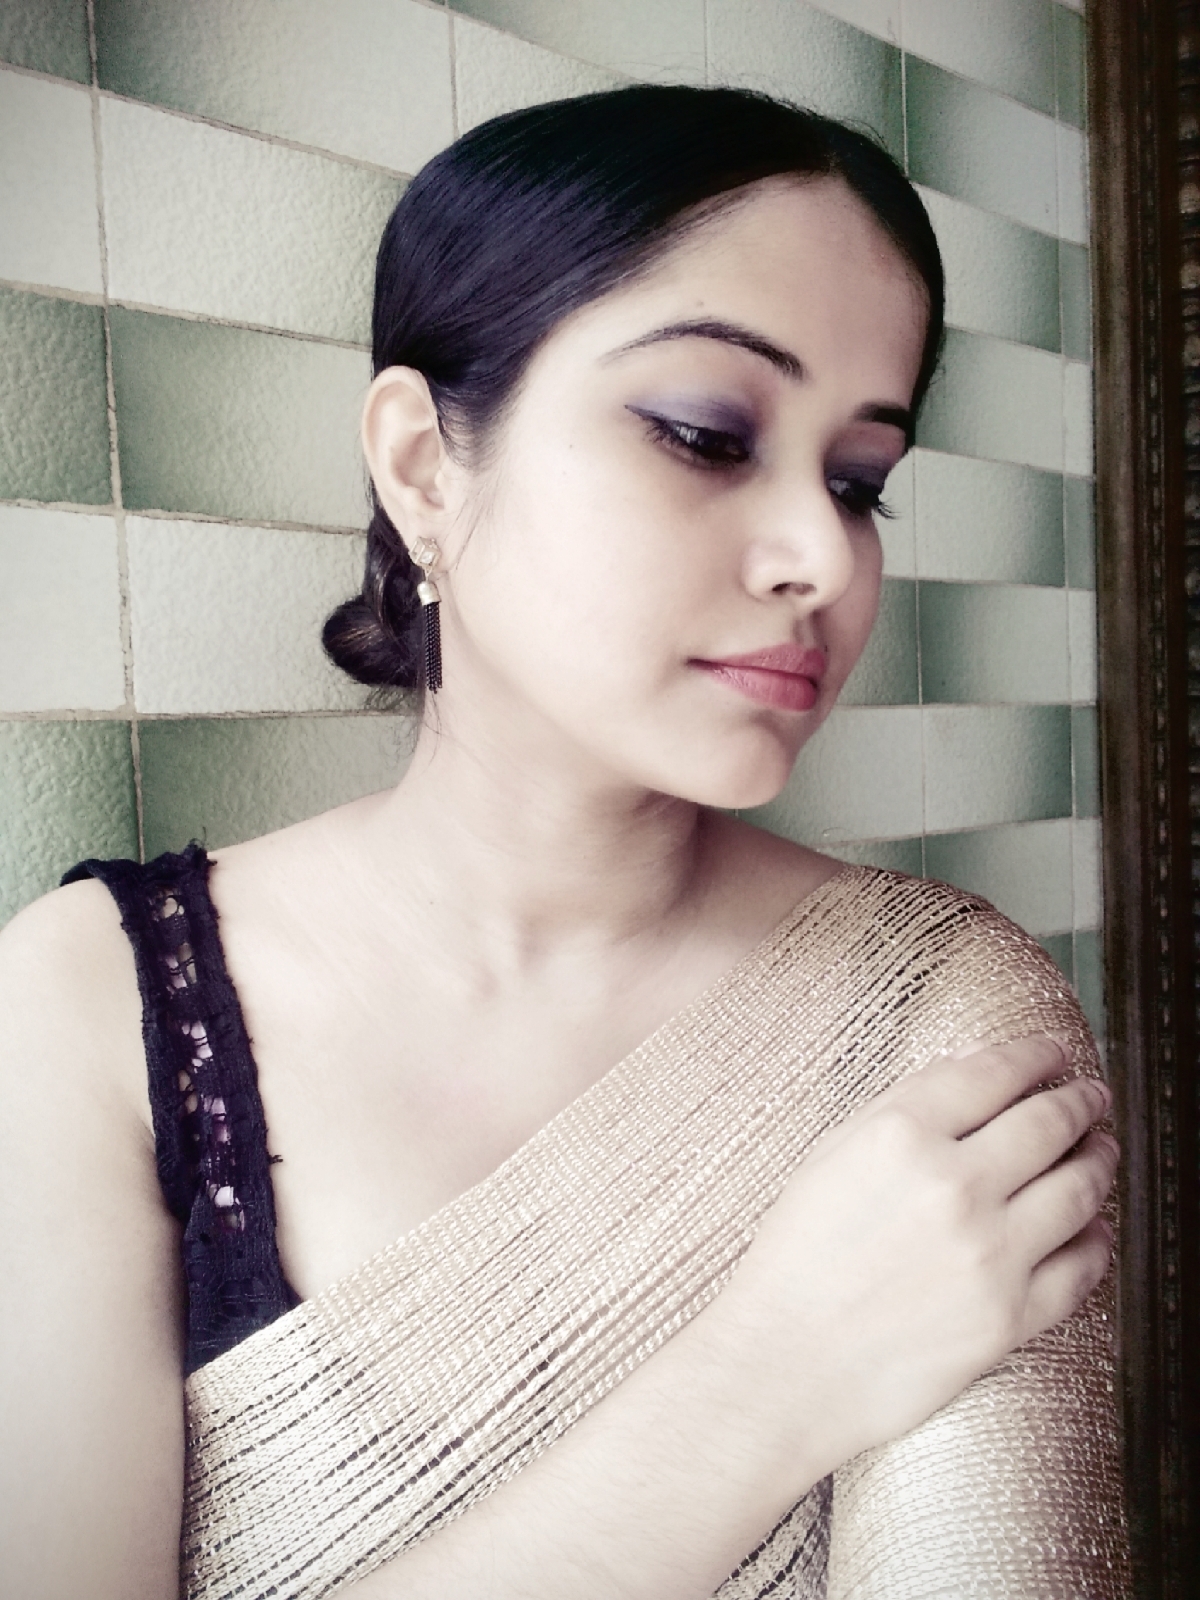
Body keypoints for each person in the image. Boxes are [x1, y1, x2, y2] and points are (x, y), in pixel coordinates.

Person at [0, 85, 1129, 1599]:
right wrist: (766, 1381)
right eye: (706, 434)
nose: (823, 556)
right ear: (423, 465)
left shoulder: (939, 1013)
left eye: (861, 481)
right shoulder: (92, 1009)